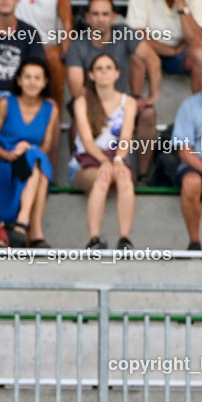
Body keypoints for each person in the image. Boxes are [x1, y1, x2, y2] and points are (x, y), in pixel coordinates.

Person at [67, 0, 161, 180]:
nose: (100, 19)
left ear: (113, 16)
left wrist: (152, 96)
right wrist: (103, 104)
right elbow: (76, 88)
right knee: (77, 119)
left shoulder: (124, 33)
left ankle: (143, 175)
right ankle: (79, 167)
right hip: (90, 99)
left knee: (149, 114)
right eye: (95, 14)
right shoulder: (78, 44)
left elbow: (153, 60)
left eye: (105, 14)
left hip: (123, 99)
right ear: (87, 17)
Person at [0, 58, 58, 248]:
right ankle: (32, 230)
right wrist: (10, 155)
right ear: (18, 80)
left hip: (31, 165)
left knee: (37, 157)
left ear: (44, 83)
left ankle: (24, 222)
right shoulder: (5, 103)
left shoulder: (51, 109)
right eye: (27, 77)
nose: (32, 82)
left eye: (37, 78)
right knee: (39, 164)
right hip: (5, 163)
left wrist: (28, 151)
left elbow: (46, 146)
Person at [70, 53, 137, 249]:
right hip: (86, 163)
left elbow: (125, 138)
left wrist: (117, 160)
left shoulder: (129, 103)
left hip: (115, 158)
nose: (104, 72)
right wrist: (105, 161)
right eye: (99, 69)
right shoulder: (81, 102)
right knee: (103, 176)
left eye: (109, 68)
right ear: (91, 75)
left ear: (117, 74)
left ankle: (125, 239)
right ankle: (93, 239)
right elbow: (88, 141)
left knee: (124, 176)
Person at [126, 0, 202, 94]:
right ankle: (136, 103)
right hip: (150, 49)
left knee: (200, 55)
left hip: (181, 52)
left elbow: (196, 39)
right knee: (137, 52)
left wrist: (181, 5)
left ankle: (197, 107)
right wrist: (171, 51)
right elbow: (136, 35)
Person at [15, 0, 72, 107]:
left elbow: (67, 25)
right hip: (16, 42)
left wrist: (66, 48)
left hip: (46, 45)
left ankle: (55, 115)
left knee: (55, 56)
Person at [172, 90, 202, 249]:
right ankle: (195, 242)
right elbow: (184, 150)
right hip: (197, 166)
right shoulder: (189, 106)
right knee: (191, 182)